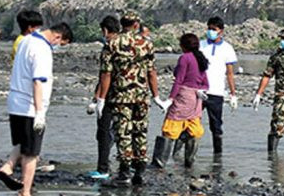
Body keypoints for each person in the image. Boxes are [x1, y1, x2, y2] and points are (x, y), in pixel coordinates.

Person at [0, 23, 73, 196]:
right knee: (32, 153)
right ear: (57, 37)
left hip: (15, 101)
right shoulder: (42, 50)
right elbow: (38, 81)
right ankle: (25, 192)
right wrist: (39, 113)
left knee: (23, 142)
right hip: (30, 104)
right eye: (60, 45)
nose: (57, 48)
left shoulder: (26, 40)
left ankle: (7, 168)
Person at [98, 12, 166, 186]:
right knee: (140, 131)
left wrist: (101, 99)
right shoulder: (146, 44)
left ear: (122, 24)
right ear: (136, 24)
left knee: (123, 133)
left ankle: (125, 172)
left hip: (121, 96)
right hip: (142, 96)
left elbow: (106, 73)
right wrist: (156, 96)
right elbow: (152, 71)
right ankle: (140, 170)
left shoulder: (112, 44)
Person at [151, 34, 209, 169]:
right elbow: (205, 82)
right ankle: (189, 162)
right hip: (196, 99)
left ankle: (160, 163)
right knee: (194, 128)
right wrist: (201, 90)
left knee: (170, 127)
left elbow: (179, 81)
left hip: (183, 96)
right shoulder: (201, 59)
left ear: (183, 46)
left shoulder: (185, 58)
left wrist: (170, 99)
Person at [86, 15, 120, 179]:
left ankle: (103, 169)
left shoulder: (109, 47)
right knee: (125, 132)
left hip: (110, 95)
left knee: (104, 132)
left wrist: (98, 99)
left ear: (105, 30)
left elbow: (105, 75)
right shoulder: (133, 45)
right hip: (129, 96)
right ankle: (129, 168)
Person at [199, 16, 239, 156]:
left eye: (213, 29)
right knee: (190, 123)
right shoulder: (200, 45)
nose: (210, 32)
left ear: (221, 31)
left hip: (216, 92)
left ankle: (218, 158)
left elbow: (229, 73)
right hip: (199, 91)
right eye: (209, 29)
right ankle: (183, 157)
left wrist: (233, 94)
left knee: (216, 126)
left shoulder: (227, 49)